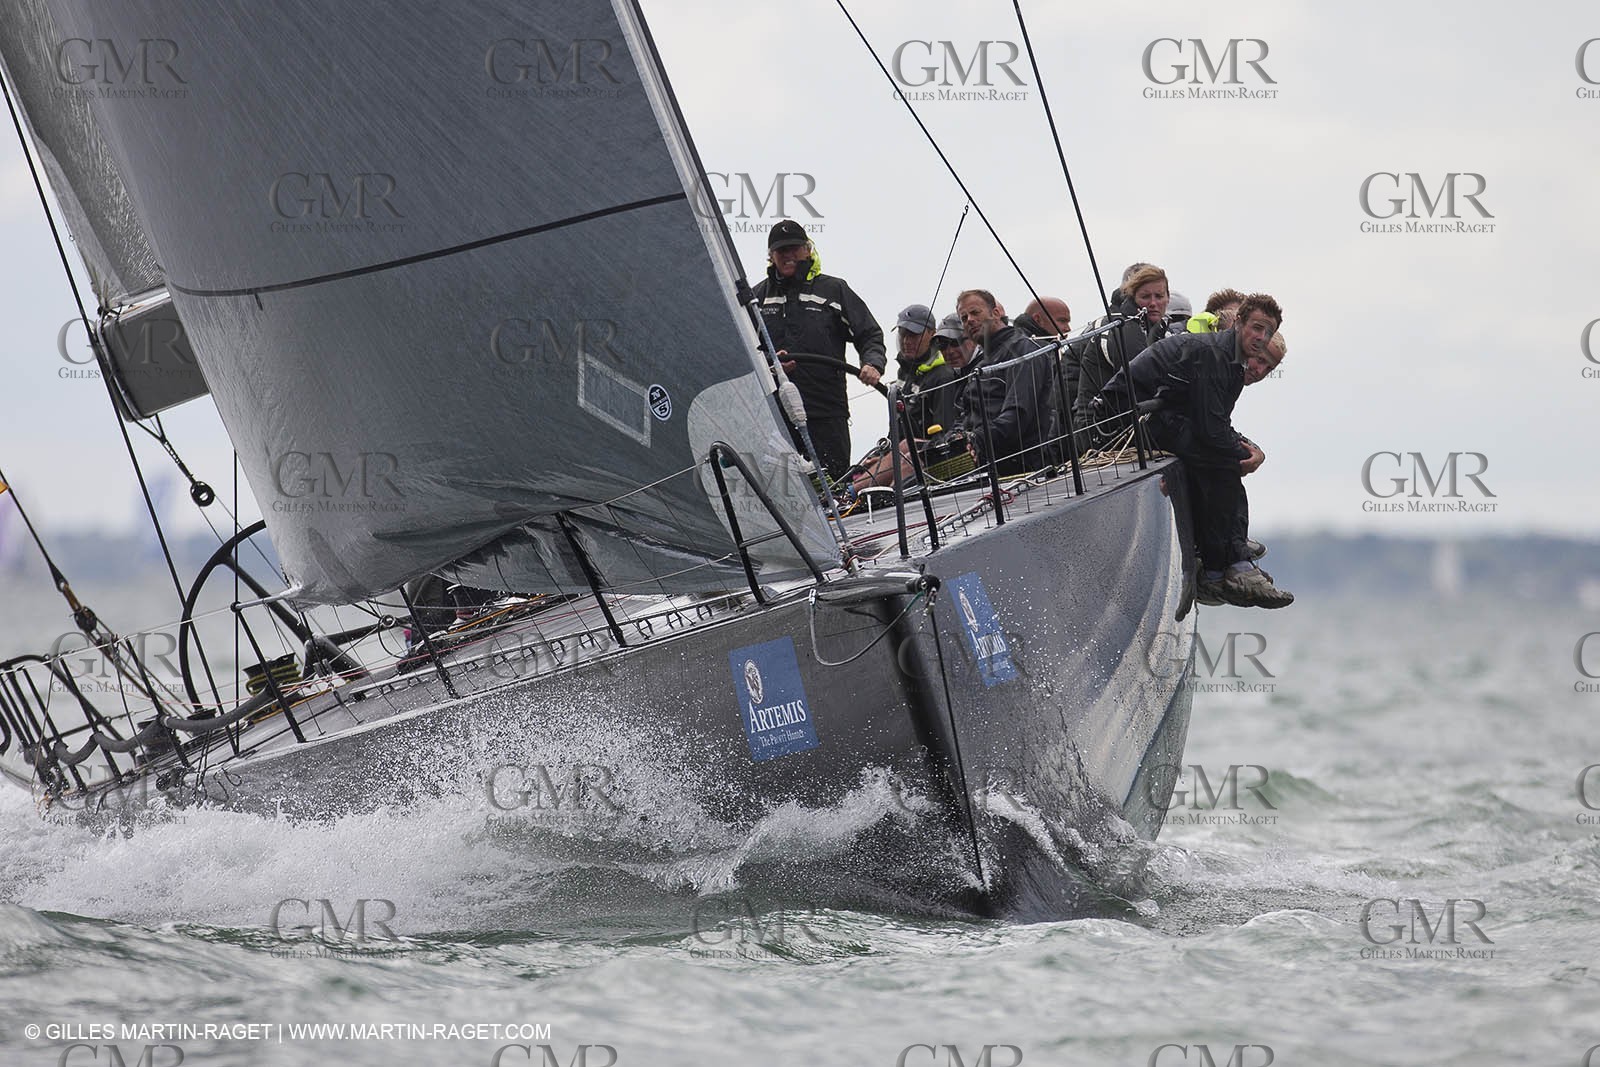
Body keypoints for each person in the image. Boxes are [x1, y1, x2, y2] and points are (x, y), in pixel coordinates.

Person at [1093, 294, 1292, 608]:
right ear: (1239, 322)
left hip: (1159, 415)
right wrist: (1243, 455)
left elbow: (1212, 421)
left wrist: (1245, 448)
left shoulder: (1231, 359)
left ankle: (1222, 565)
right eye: (1257, 328)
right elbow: (1210, 429)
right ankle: (1229, 564)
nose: (1260, 342)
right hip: (1124, 421)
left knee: (1219, 459)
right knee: (1222, 463)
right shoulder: (1213, 354)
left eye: (1267, 334)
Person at [752, 220, 886, 479]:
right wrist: (768, 363)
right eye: (782, 251)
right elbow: (745, 352)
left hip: (826, 411)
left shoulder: (834, 289)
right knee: (783, 491)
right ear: (771, 256)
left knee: (835, 486)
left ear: (808, 250)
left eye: (794, 248)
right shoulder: (756, 298)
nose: (789, 255)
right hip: (775, 417)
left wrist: (872, 364)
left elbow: (869, 333)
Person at [1070, 263, 1175, 452]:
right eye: (1145, 296)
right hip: (1102, 435)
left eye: (1159, 296)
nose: (1153, 303)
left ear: (1168, 298)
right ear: (1133, 298)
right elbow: (1145, 381)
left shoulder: (1158, 331)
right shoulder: (1122, 327)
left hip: (1123, 427)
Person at [954, 289, 1056, 475]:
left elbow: (1018, 414)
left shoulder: (1023, 350)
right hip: (985, 464)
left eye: (975, 313)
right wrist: (953, 440)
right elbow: (968, 417)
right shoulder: (983, 362)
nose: (969, 320)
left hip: (1022, 467)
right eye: (963, 318)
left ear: (995, 314)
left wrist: (977, 439)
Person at [891, 303, 959, 437]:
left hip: (924, 453)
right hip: (902, 451)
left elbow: (944, 434)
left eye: (913, 335)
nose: (906, 341)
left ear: (932, 334)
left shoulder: (943, 376)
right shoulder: (904, 372)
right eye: (903, 334)